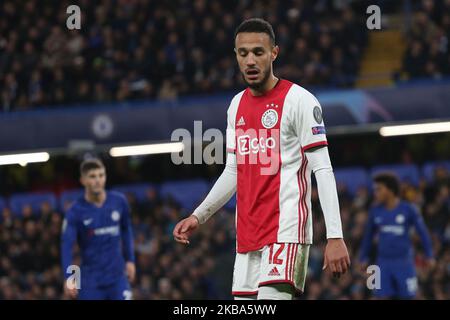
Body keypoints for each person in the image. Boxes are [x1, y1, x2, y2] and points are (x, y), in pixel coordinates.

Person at [173, 18, 350, 300]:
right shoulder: (236, 106)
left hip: (286, 232)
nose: (250, 60)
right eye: (243, 54)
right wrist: (199, 215)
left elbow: (323, 169)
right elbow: (233, 170)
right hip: (247, 235)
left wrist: (335, 235)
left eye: (258, 52)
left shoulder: (300, 101)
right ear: (236, 56)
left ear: (274, 53)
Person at [61, 158, 135, 300]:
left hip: (117, 278)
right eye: (92, 176)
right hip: (90, 283)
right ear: (82, 180)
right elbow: (67, 246)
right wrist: (69, 277)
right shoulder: (75, 211)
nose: (98, 180)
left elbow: (126, 230)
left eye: (101, 175)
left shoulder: (119, 201)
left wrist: (130, 260)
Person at [359, 173, 435, 299]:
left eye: (378, 189)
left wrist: (430, 255)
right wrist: (363, 258)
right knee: (377, 297)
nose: (375, 193)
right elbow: (367, 237)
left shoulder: (409, 209)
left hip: (404, 262)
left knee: (410, 296)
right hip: (381, 263)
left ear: (390, 190)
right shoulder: (375, 211)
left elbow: (423, 233)